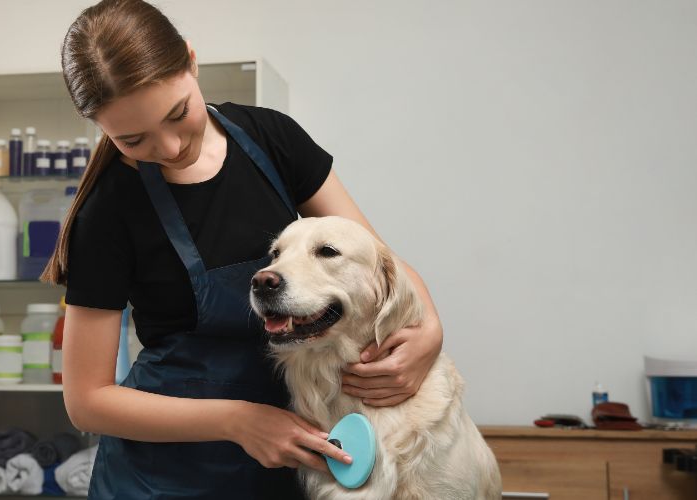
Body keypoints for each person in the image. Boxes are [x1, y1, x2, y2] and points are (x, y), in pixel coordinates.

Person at [42, 0, 444, 498]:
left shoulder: (271, 139)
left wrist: (430, 330)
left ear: (191, 61)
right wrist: (238, 421)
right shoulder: (106, 213)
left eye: (177, 114)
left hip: (287, 452)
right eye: (133, 139)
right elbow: (87, 402)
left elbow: (376, 255)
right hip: (164, 476)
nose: (169, 148)